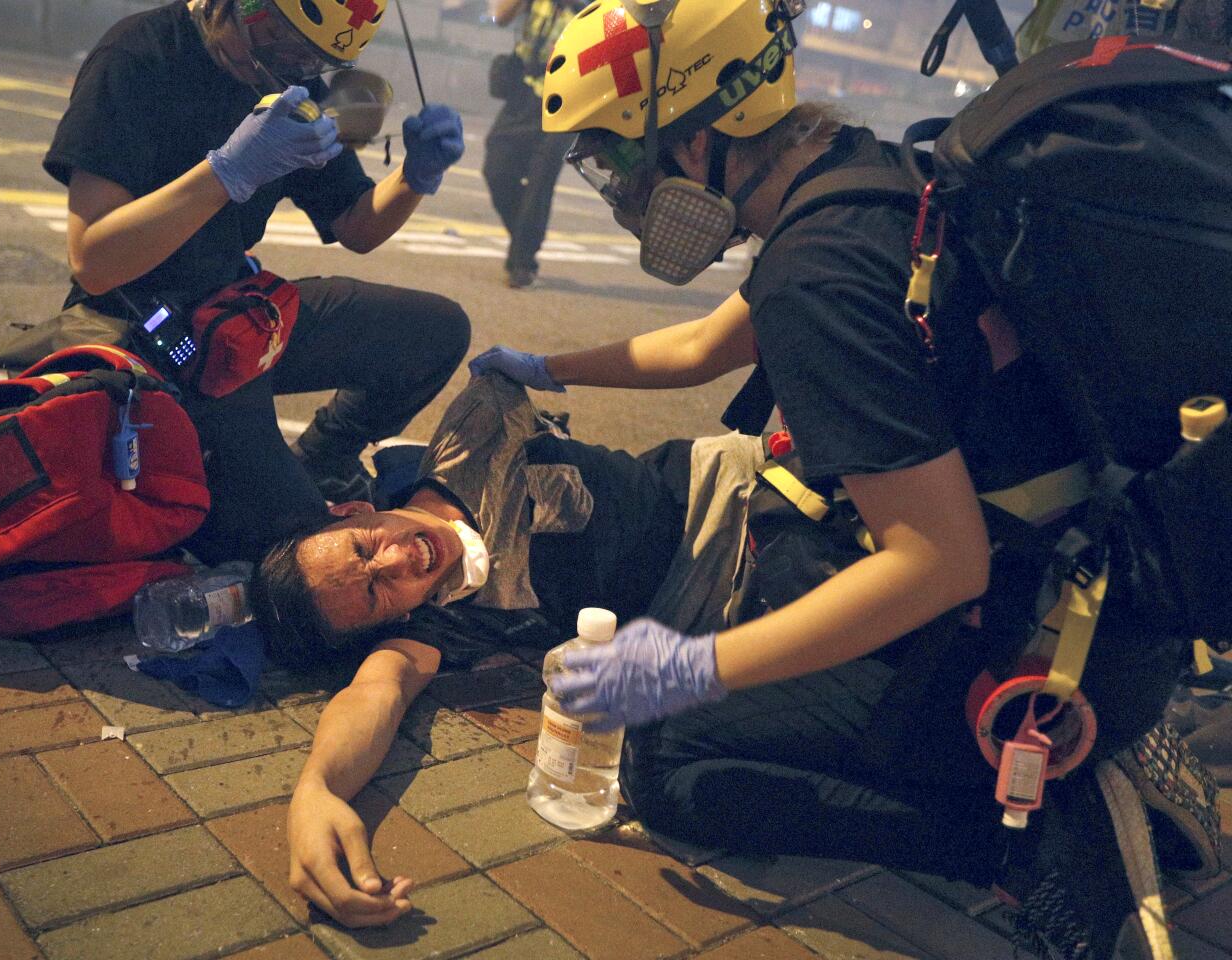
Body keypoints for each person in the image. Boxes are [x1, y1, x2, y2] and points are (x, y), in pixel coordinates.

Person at [463, 0, 1210, 956]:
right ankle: (1098, 739)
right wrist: (552, 366)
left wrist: (692, 670)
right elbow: (702, 347)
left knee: (674, 762)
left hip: (1036, 645)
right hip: (1098, 576)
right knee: (779, 583)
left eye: (620, 160)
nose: (620, 188)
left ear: (695, 146)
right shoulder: (861, 173)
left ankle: (1030, 837)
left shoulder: (818, 273)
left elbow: (939, 564)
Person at [251, 371, 771, 926]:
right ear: (394, 618)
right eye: (377, 593)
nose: (398, 561)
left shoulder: (464, 451)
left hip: (741, 502)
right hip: (731, 620)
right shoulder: (439, 621)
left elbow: (501, 385)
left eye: (366, 547)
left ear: (354, 511)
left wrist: (546, 366)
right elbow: (377, 689)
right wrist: (316, 791)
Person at [43, 0, 471, 561]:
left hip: (236, 314)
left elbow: (355, 224)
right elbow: (95, 261)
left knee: (433, 332)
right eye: (275, 42)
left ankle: (324, 458)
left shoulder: (292, 82)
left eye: (309, 59)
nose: (284, 68)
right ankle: (248, 475)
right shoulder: (138, 56)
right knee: (296, 547)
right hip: (142, 325)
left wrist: (415, 176)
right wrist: (227, 172)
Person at [482, 0, 586, 288]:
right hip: (523, 94)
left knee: (540, 182)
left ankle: (522, 262)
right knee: (497, 169)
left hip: (566, 100)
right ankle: (525, 241)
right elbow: (499, 17)